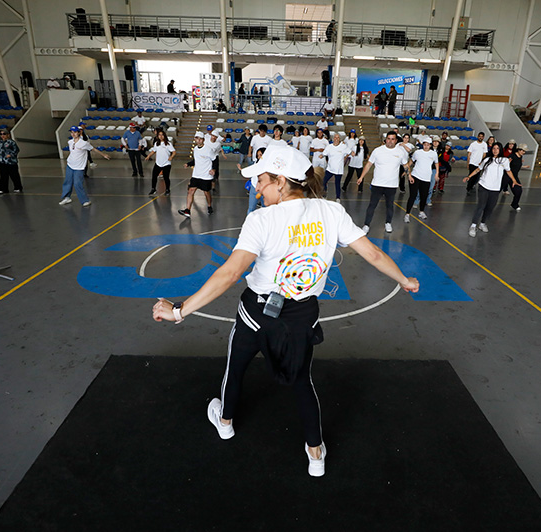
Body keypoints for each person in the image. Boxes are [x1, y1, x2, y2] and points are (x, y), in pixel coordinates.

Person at [151, 146, 420, 478]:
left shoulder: (262, 219)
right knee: (302, 380)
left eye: (261, 181)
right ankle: (315, 452)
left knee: (235, 367)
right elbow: (374, 254)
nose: (256, 188)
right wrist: (404, 280)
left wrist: (179, 312)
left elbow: (230, 274)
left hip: (257, 315)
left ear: (280, 181)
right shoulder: (330, 211)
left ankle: (225, 422)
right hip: (302, 317)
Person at [357, 130, 409, 234]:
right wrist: (361, 177)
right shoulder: (377, 151)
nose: (390, 141)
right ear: (385, 140)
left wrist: (410, 175)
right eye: (388, 139)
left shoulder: (400, 152)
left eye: (392, 139)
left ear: (396, 141)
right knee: (372, 205)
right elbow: (368, 164)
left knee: (390, 206)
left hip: (392, 185)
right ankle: (366, 225)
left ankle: (388, 223)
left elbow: (406, 165)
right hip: (377, 184)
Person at [463, 142, 519, 237]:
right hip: (483, 186)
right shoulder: (487, 159)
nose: (495, 150)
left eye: (497, 148)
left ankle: (483, 223)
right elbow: (478, 169)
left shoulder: (504, 160)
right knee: (481, 206)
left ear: (500, 150)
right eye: (494, 148)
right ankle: (473, 225)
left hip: (495, 189)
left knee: (490, 207)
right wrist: (469, 176)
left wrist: (514, 180)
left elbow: (508, 171)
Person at [59, 126, 110, 206]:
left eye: (75, 132)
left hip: (79, 167)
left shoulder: (84, 143)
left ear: (79, 133)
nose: (73, 134)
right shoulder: (70, 142)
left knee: (77, 183)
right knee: (67, 182)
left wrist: (103, 155)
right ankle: (67, 197)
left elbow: (93, 149)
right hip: (70, 165)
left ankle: (85, 200)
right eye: (72, 132)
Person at [179, 132, 214, 218]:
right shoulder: (195, 149)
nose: (198, 140)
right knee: (190, 191)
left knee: (206, 192)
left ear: (203, 140)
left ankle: (209, 206)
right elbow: (196, 160)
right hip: (196, 174)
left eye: (200, 139)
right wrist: (188, 164)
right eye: (196, 138)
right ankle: (187, 210)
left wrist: (214, 169)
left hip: (206, 175)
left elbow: (215, 160)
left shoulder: (208, 149)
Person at [405, 136, 437, 222]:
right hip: (415, 176)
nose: (426, 146)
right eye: (424, 144)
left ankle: (421, 211)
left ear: (430, 145)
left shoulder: (433, 154)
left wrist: (437, 173)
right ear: (422, 145)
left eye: (428, 145)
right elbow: (410, 162)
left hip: (426, 178)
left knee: (424, 196)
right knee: (413, 195)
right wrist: (408, 173)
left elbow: (436, 163)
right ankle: (407, 214)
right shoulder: (417, 153)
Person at [320, 133, 352, 202]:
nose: (336, 139)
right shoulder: (329, 146)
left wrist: (346, 156)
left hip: (339, 169)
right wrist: (321, 155)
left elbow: (349, 152)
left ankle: (338, 197)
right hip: (330, 168)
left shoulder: (343, 146)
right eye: (335, 137)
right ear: (333, 138)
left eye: (338, 138)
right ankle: (324, 194)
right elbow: (324, 153)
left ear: (339, 139)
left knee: (337, 184)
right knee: (323, 181)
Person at [145, 129, 175, 196]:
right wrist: (148, 156)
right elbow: (153, 151)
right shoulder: (156, 144)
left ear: (164, 136)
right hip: (158, 163)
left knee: (166, 177)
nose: (161, 136)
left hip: (166, 163)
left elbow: (174, 152)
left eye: (162, 135)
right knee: (154, 176)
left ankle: (167, 189)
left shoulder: (168, 144)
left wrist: (171, 157)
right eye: (159, 135)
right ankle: (153, 189)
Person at [0, 129, 23, 194]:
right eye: (1, 134)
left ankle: (18, 187)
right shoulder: (0, 142)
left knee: (14, 175)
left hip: (11, 162)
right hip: (3, 161)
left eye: (4, 134)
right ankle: (3, 189)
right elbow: (0, 150)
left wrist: (10, 155)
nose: (2, 135)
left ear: (8, 135)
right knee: (3, 176)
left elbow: (16, 150)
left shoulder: (11, 142)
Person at [508, 143, 529, 211]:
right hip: (507, 175)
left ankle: (514, 204)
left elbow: (517, 166)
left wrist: (524, 167)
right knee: (497, 191)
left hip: (515, 176)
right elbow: (506, 165)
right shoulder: (512, 156)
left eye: (524, 151)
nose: (523, 152)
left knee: (518, 191)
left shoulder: (520, 157)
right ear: (519, 150)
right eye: (522, 151)